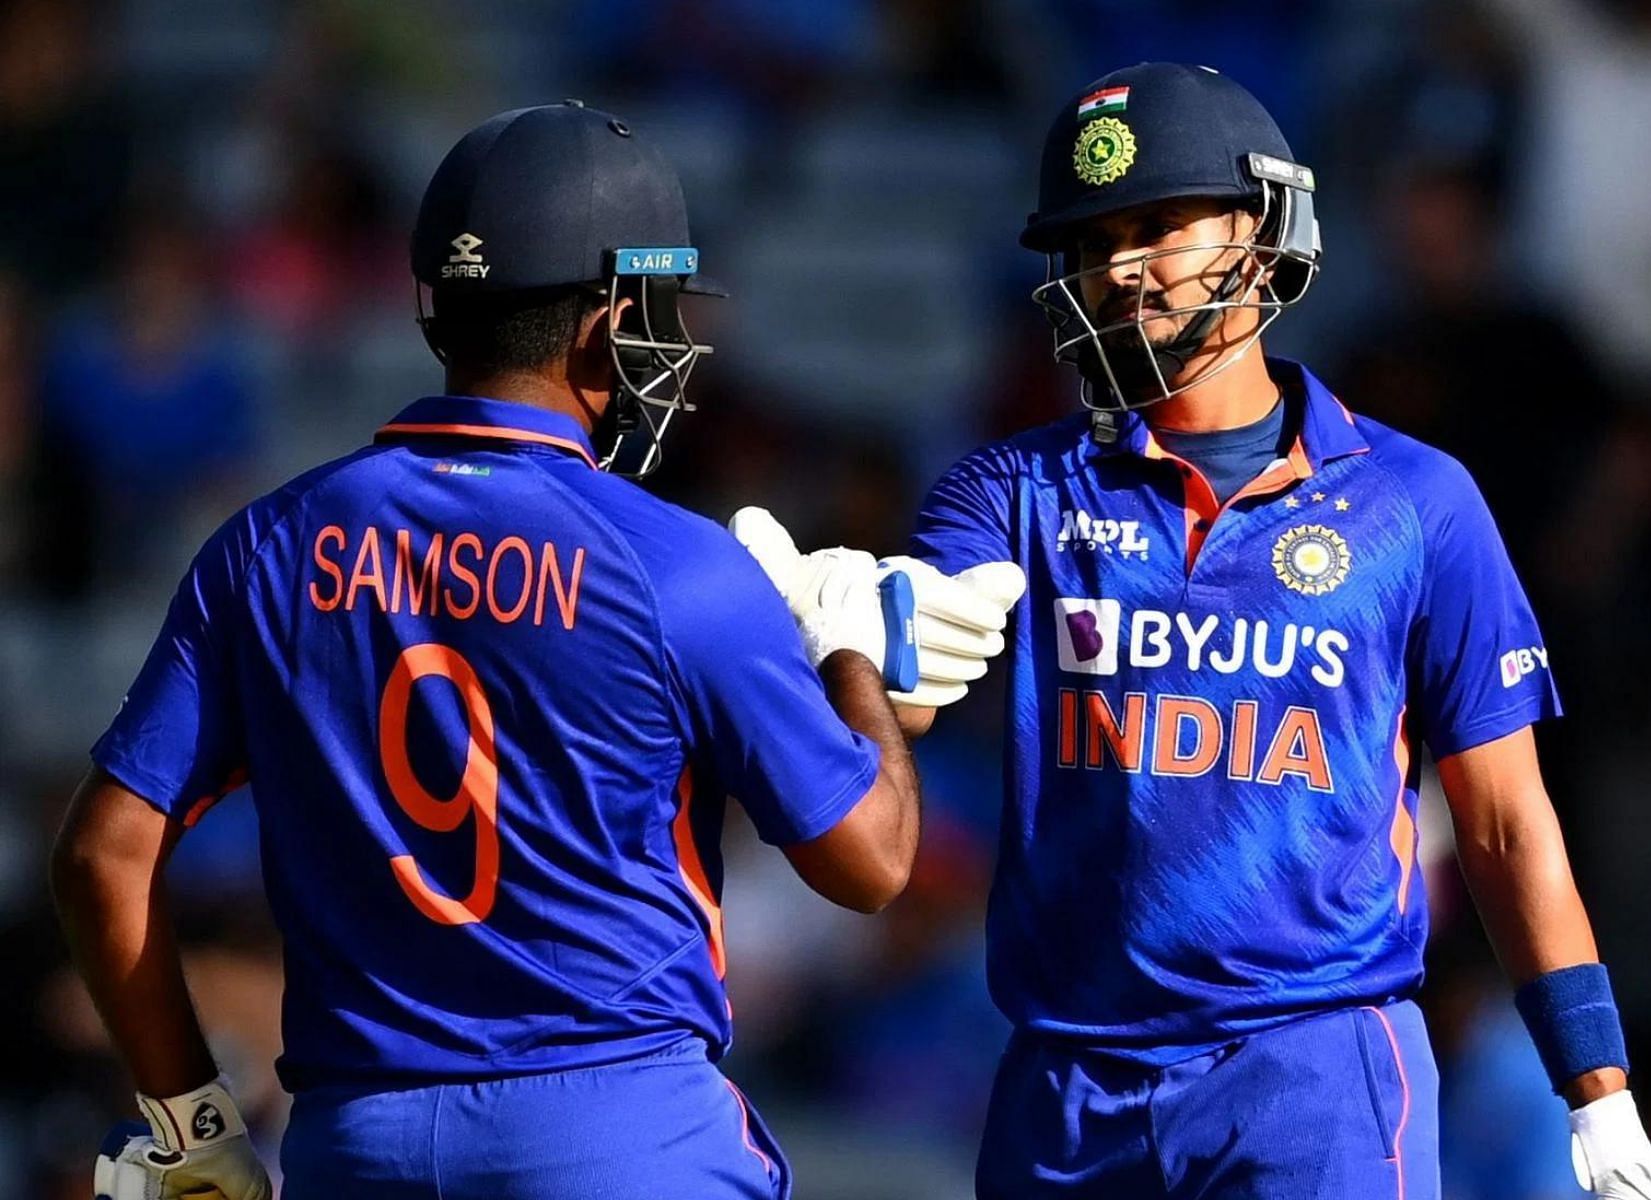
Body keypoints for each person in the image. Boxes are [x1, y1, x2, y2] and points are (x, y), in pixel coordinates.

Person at [736, 63, 1651, 1200]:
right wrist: (855, 635)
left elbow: (1506, 822)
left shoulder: (1416, 502)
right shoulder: (1008, 490)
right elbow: (915, 688)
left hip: (1311, 1076)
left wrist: (1600, 1100)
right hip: (1070, 1087)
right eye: (1090, 241)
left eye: (1157, 226)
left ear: (1262, 233)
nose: (1119, 268)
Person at [52, 100, 1019, 1200]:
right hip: (620, 1132)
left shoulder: (267, 544)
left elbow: (101, 855)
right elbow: (870, 861)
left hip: (357, 1143)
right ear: (606, 324)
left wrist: (194, 1126)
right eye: (658, 308)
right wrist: (846, 648)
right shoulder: (683, 566)